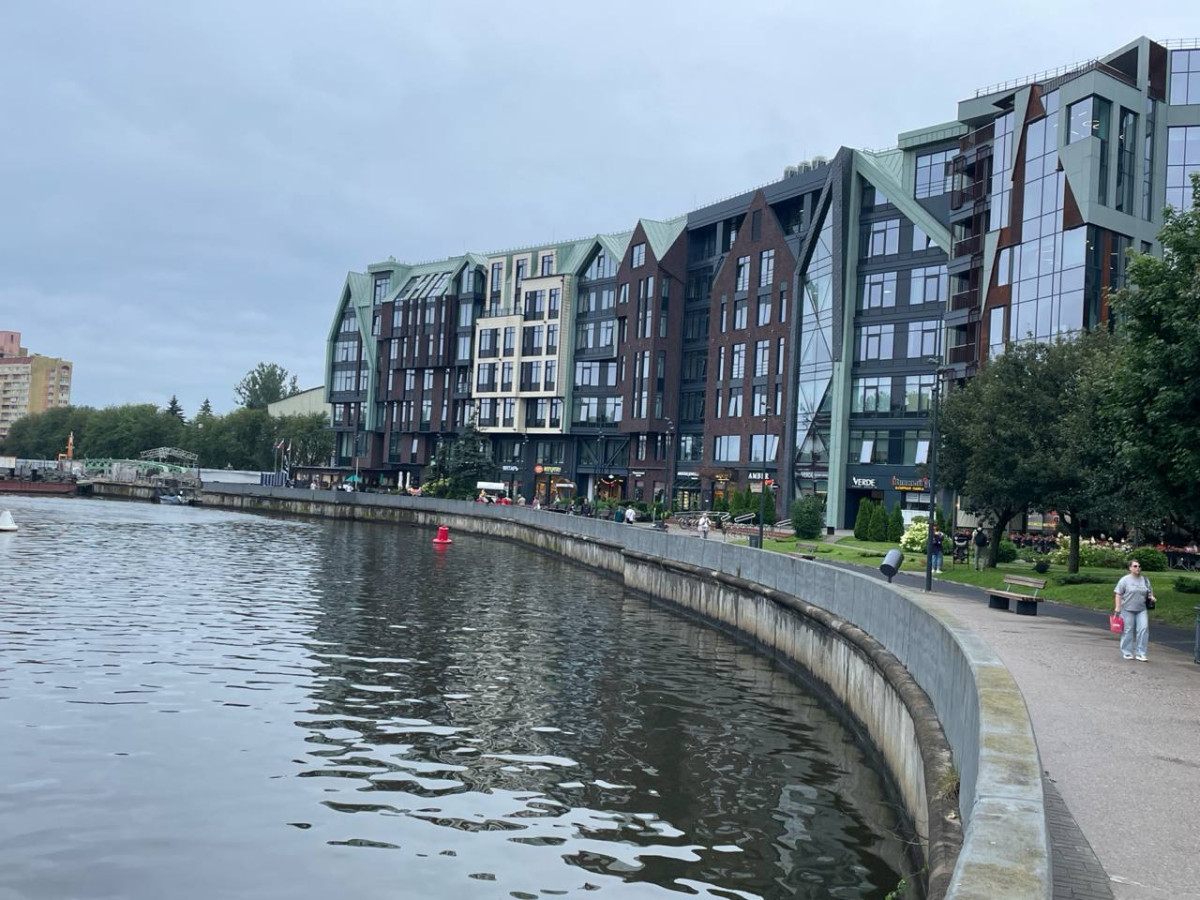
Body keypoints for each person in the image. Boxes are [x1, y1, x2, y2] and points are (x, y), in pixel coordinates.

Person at [1114, 560, 1154, 661]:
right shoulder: (1124, 580)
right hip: (1127, 609)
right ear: (1130, 568)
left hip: (1141, 609)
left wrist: (1152, 597)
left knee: (1143, 629)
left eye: (1139, 566)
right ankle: (1127, 652)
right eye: (1135, 566)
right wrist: (1118, 608)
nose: (1138, 568)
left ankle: (1141, 653)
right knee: (1128, 630)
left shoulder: (1145, 580)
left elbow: (1149, 591)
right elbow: (1118, 594)